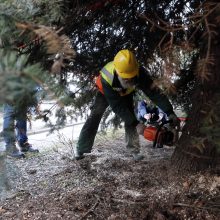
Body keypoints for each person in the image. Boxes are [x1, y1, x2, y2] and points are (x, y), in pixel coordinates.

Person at [74, 49, 180, 161]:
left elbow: (154, 93)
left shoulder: (140, 72)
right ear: (118, 72)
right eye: (126, 77)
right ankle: (81, 148)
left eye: (132, 76)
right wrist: (137, 124)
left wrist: (169, 112)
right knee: (94, 117)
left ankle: (134, 150)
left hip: (126, 93)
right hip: (105, 92)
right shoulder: (107, 76)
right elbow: (117, 106)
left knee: (131, 117)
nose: (129, 79)